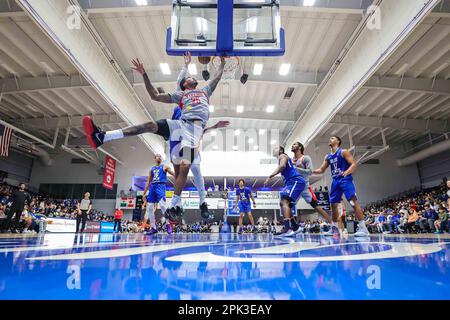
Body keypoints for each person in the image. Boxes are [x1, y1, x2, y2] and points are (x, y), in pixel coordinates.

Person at [83, 53, 226, 223]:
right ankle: (102, 137)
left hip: (193, 132)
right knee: (149, 126)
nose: (191, 77)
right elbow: (154, 96)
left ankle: (181, 203)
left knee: (188, 169)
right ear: (184, 85)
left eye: (191, 77)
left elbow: (216, 78)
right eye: (188, 78)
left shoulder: (204, 91)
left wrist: (222, 64)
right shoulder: (181, 96)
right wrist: (144, 74)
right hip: (180, 126)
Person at [169, 52, 229, 219]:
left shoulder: (196, 101)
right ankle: (177, 205)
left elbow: (199, 129)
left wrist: (213, 127)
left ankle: (203, 203)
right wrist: (185, 65)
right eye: (187, 79)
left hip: (190, 139)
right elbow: (179, 83)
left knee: (195, 167)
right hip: (176, 141)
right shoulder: (180, 99)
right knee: (178, 174)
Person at [313, 136, 370, 237]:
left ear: (338, 141)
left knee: (353, 202)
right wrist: (310, 171)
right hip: (335, 181)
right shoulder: (328, 156)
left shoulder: (343, 152)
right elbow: (321, 170)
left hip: (345, 179)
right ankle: (334, 228)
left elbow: (353, 164)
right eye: (329, 138)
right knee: (333, 205)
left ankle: (363, 228)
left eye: (333, 138)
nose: (330, 139)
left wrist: (346, 172)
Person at [290, 142, 333, 235]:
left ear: (300, 147)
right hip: (295, 186)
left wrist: (296, 168)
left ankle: (333, 225)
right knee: (287, 206)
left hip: (304, 186)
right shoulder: (292, 160)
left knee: (317, 207)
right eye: (292, 144)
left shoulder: (305, 158)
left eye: (295, 144)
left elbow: (309, 172)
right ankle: (294, 228)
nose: (292, 146)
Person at [265, 146, 306, 237]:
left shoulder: (282, 156)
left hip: (295, 181)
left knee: (284, 201)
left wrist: (270, 175)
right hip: (292, 182)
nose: (273, 149)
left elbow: (282, 165)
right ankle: (295, 227)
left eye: (275, 148)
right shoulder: (282, 158)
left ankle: (287, 228)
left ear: (280, 150)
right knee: (284, 203)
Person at [142, 154, 175, 235]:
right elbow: (148, 181)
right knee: (149, 208)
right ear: (155, 158)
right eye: (157, 156)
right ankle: (153, 228)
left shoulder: (164, 167)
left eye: (160, 156)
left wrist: (179, 176)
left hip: (161, 186)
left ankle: (167, 224)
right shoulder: (151, 169)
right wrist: (144, 193)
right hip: (152, 187)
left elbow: (173, 173)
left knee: (163, 206)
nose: (159, 157)